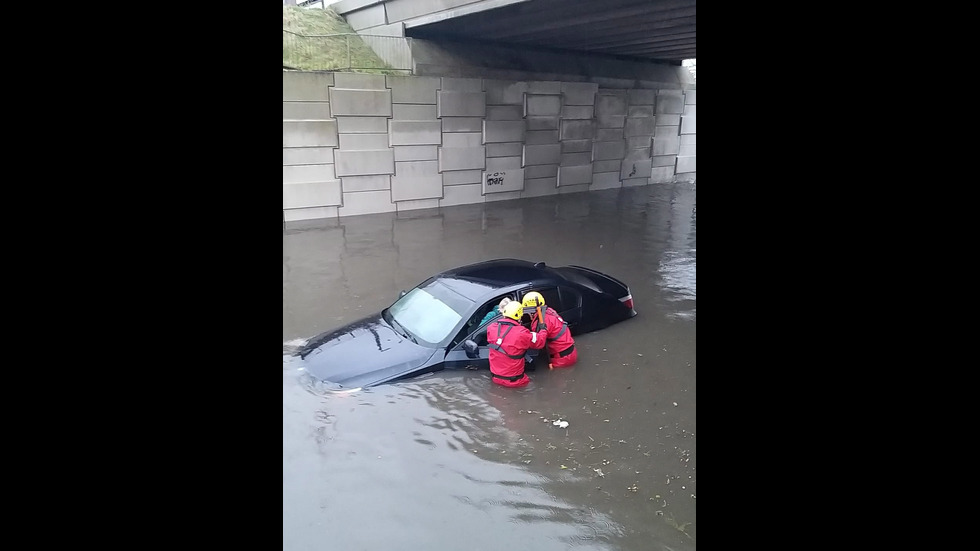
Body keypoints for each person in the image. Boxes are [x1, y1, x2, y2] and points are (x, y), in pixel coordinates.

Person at [486, 300, 548, 387]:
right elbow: (539, 342)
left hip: (495, 379)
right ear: (520, 316)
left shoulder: (491, 328)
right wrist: (543, 330)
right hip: (515, 382)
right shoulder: (522, 333)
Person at [522, 291, 578, 368]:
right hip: (571, 353)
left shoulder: (540, 323)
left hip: (561, 359)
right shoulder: (550, 311)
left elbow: (537, 344)